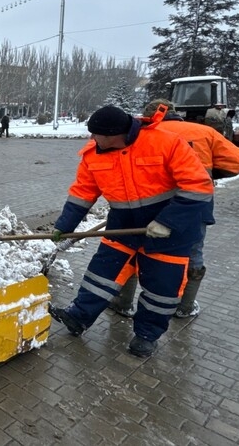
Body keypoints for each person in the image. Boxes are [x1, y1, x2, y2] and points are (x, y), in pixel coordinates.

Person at [47, 104, 214, 358]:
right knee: (102, 273)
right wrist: (64, 226)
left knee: (161, 286)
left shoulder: (166, 143)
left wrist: (167, 221)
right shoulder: (94, 154)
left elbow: (198, 186)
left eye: (96, 134)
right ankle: (78, 317)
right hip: (124, 225)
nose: (92, 139)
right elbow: (82, 193)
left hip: (170, 230)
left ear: (114, 133)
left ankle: (147, 336)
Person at [109, 99, 239, 319]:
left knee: (133, 250)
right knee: (191, 254)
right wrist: (208, 175)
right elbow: (238, 162)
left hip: (146, 206)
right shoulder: (204, 132)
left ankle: (124, 302)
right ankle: (184, 306)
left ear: (147, 116)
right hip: (194, 206)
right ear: (175, 113)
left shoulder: (139, 135)